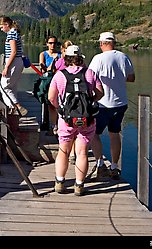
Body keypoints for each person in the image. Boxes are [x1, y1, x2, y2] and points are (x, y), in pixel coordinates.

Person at [48, 45, 104, 196]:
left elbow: (51, 98)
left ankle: (60, 182)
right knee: (82, 152)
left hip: (66, 120)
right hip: (87, 119)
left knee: (64, 151)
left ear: (66, 58)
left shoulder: (60, 75)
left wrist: (60, 108)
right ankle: (79, 185)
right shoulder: (90, 73)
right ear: (80, 57)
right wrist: (91, 100)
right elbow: (100, 94)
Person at [88, 31, 135, 180]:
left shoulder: (98, 58)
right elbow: (131, 78)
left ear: (101, 43)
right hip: (120, 103)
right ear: (114, 42)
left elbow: (89, 79)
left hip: (102, 104)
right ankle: (114, 167)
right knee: (114, 133)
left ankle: (100, 163)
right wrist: (118, 79)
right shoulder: (124, 57)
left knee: (94, 133)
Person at [0, 16, 27, 116]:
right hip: (18, 61)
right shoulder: (15, 32)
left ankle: (16, 106)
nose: (2, 30)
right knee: (12, 86)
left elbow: (13, 51)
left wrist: (6, 67)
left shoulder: (11, 34)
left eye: (2, 27)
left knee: (3, 86)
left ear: (6, 24)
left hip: (13, 61)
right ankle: (14, 110)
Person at [39, 35, 61, 134]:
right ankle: (51, 126)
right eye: (50, 43)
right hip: (48, 81)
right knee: (49, 104)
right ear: (47, 44)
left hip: (59, 81)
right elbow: (43, 68)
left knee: (58, 103)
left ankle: (58, 125)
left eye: (54, 43)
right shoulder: (43, 54)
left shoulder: (60, 55)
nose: (52, 45)